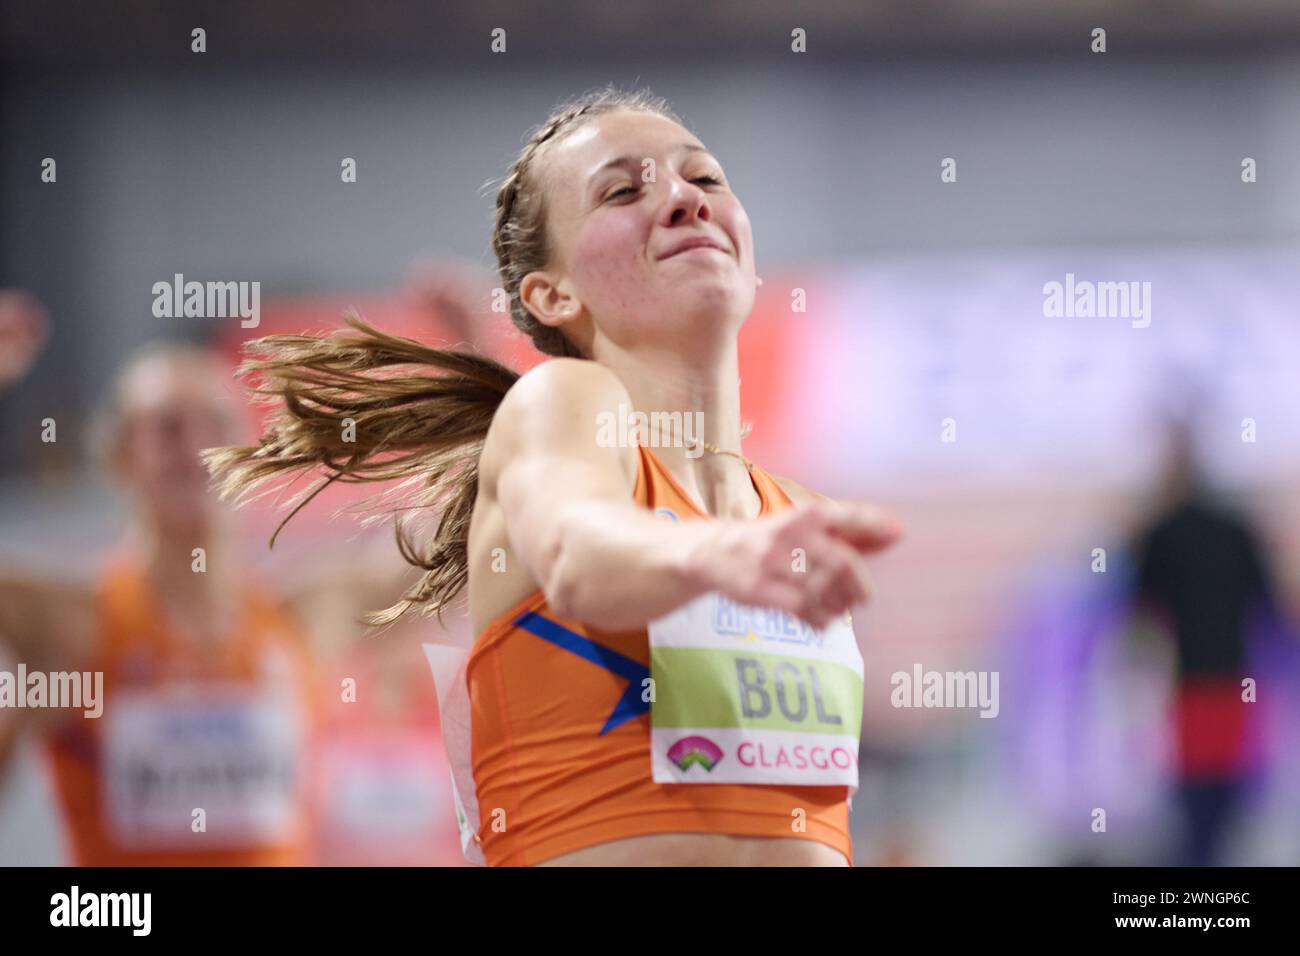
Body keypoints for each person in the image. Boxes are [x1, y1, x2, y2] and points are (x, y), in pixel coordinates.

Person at [207, 86, 902, 867]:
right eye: (622, 190)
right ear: (550, 292)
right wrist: (718, 556)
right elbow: (578, 552)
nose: (681, 200)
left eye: (703, 179)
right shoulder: (562, 400)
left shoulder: (796, 512)